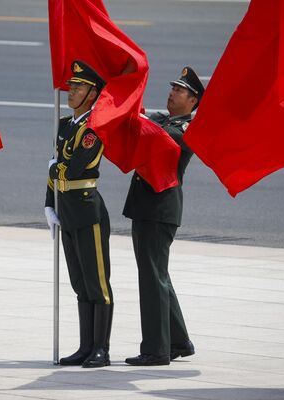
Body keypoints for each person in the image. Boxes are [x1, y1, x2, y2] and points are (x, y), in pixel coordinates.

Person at [123, 67, 204, 366]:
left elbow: (160, 137)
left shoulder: (187, 130)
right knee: (158, 275)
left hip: (160, 210)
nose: (171, 92)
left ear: (193, 100)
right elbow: (141, 118)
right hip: (147, 208)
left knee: (152, 277)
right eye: (172, 87)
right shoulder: (164, 119)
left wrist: (139, 117)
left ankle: (156, 349)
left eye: (180, 90)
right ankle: (179, 341)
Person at [44, 60, 113, 368]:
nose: (71, 91)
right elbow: (53, 169)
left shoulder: (94, 127)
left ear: (92, 93)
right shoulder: (63, 125)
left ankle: (101, 348)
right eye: (71, 86)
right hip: (67, 209)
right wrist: (48, 202)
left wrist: (52, 171)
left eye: (78, 87)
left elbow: (73, 167)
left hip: (87, 210)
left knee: (98, 283)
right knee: (80, 283)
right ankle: (85, 346)